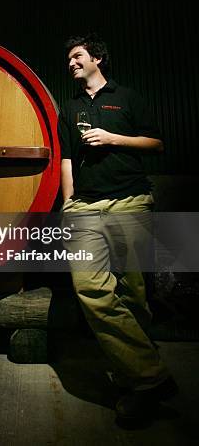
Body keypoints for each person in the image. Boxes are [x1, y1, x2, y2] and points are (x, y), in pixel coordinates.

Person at [58, 33, 177, 426]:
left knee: (134, 293)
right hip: (86, 208)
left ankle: (136, 381)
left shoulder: (127, 98)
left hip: (130, 201)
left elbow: (156, 143)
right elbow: (67, 160)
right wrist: (68, 204)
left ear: (97, 59)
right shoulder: (69, 108)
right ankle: (150, 376)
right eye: (69, 58)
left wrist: (112, 138)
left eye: (77, 56)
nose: (71, 62)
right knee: (89, 288)